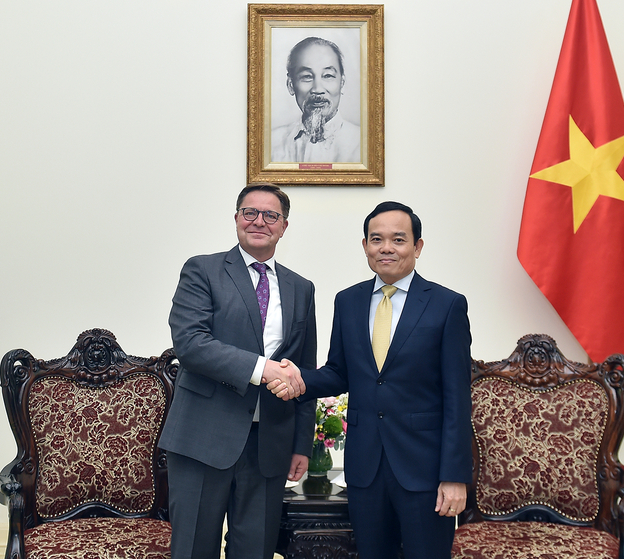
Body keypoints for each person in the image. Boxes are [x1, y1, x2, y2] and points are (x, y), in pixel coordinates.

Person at [269, 201, 472, 559]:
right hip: (365, 467)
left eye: (398, 239)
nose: (386, 248)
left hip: (424, 471)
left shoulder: (447, 305)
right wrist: (298, 379)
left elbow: (458, 397)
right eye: (376, 239)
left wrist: (454, 476)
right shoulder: (347, 301)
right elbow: (338, 373)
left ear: (417, 247)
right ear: (365, 246)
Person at [159, 183, 316, 559]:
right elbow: (192, 344)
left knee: (255, 552)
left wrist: (301, 444)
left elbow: (302, 369)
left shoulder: (302, 288)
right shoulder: (202, 270)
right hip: (202, 438)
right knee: (194, 549)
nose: (259, 221)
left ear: (284, 226)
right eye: (250, 213)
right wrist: (263, 369)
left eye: (270, 215)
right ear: (236, 219)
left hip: (269, 445)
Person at [271, 36, 361, 163]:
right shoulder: (272, 144)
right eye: (307, 76)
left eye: (328, 75)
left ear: (342, 83)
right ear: (291, 85)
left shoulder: (362, 144)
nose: (317, 89)